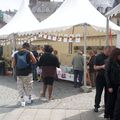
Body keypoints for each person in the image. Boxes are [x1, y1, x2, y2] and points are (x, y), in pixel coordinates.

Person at [12, 42, 36, 106]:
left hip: (19, 73)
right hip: (28, 72)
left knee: (20, 86)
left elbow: (13, 64)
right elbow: (34, 61)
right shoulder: (29, 53)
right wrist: (29, 62)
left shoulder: (16, 54)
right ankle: (29, 99)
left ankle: (22, 100)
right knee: (29, 85)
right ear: (28, 47)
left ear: (22, 46)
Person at [94, 46, 111, 114]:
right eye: (107, 52)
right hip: (100, 77)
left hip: (108, 78)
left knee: (107, 93)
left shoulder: (110, 57)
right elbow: (94, 67)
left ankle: (106, 106)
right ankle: (96, 106)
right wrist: (102, 66)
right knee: (98, 92)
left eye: (109, 52)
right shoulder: (98, 57)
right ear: (104, 50)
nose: (108, 53)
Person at [105, 48, 120, 120]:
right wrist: (109, 86)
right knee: (111, 101)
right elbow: (106, 74)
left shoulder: (118, 61)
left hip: (118, 84)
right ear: (116, 55)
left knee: (116, 102)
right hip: (111, 85)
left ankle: (114, 115)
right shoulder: (109, 61)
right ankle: (108, 115)